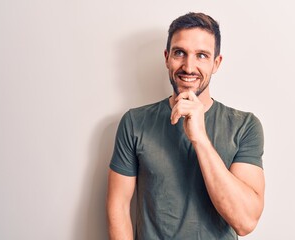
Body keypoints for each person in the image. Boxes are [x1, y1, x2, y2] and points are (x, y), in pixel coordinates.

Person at [107, 12, 265, 240]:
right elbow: (118, 208)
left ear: (216, 63)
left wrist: (200, 138)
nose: (189, 67)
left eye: (202, 55)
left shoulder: (245, 126)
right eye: (180, 53)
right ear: (167, 58)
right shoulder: (134, 122)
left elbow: (245, 222)